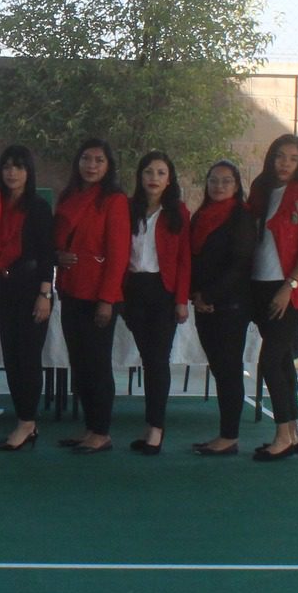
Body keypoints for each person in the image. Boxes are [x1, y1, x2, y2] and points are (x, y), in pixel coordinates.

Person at [246, 132, 298, 462]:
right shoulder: (261, 189)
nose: (286, 164)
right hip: (260, 283)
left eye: (293, 158)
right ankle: (291, 434)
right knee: (281, 361)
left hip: (290, 288)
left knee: (269, 360)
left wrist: (289, 285)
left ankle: (281, 434)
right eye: (281, 156)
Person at [53, 137, 130, 455]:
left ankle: (102, 432)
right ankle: (89, 428)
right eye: (86, 158)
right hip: (71, 290)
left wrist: (107, 299)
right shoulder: (69, 195)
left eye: (99, 160)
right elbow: (56, 239)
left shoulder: (114, 200)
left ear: (108, 165)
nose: (92, 165)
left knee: (97, 365)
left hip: (99, 294)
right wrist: (58, 255)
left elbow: (118, 253)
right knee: (80, 364)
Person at [119, 151, 192, 456]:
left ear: (169, 178)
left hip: (163, 291)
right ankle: (151, 425)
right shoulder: (127, 208)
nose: (154, 178)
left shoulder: (178, 212)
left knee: (157, 360)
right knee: (147, 357)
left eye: (161, 173)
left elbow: (185, 259)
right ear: (140, 176)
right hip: (133, 289)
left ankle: (156, 429)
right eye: (149, 172)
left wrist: (181, 300)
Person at [189, 160, 256, 457]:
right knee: (219, 369)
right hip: (203, 303)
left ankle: (229, 436)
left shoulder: (241, 217)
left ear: (237, 185)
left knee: (229, 370)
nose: (219, 186)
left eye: (226, 181)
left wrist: (210, 295)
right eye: (214, 180)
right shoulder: (200, 215)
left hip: (230, 304)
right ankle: (224, 433)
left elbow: (239, 265)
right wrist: (195, 294)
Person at [0, 144, 55, 452]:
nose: (11, 173)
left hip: (33, 290)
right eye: (6, 166)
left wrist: (45, 294)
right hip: (6, 290)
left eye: (18, 167)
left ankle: (27, 423)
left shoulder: (39, 207)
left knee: (28, 359)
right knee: (11, 358)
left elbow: (47, 256)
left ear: (28, 172)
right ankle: (25, 420)